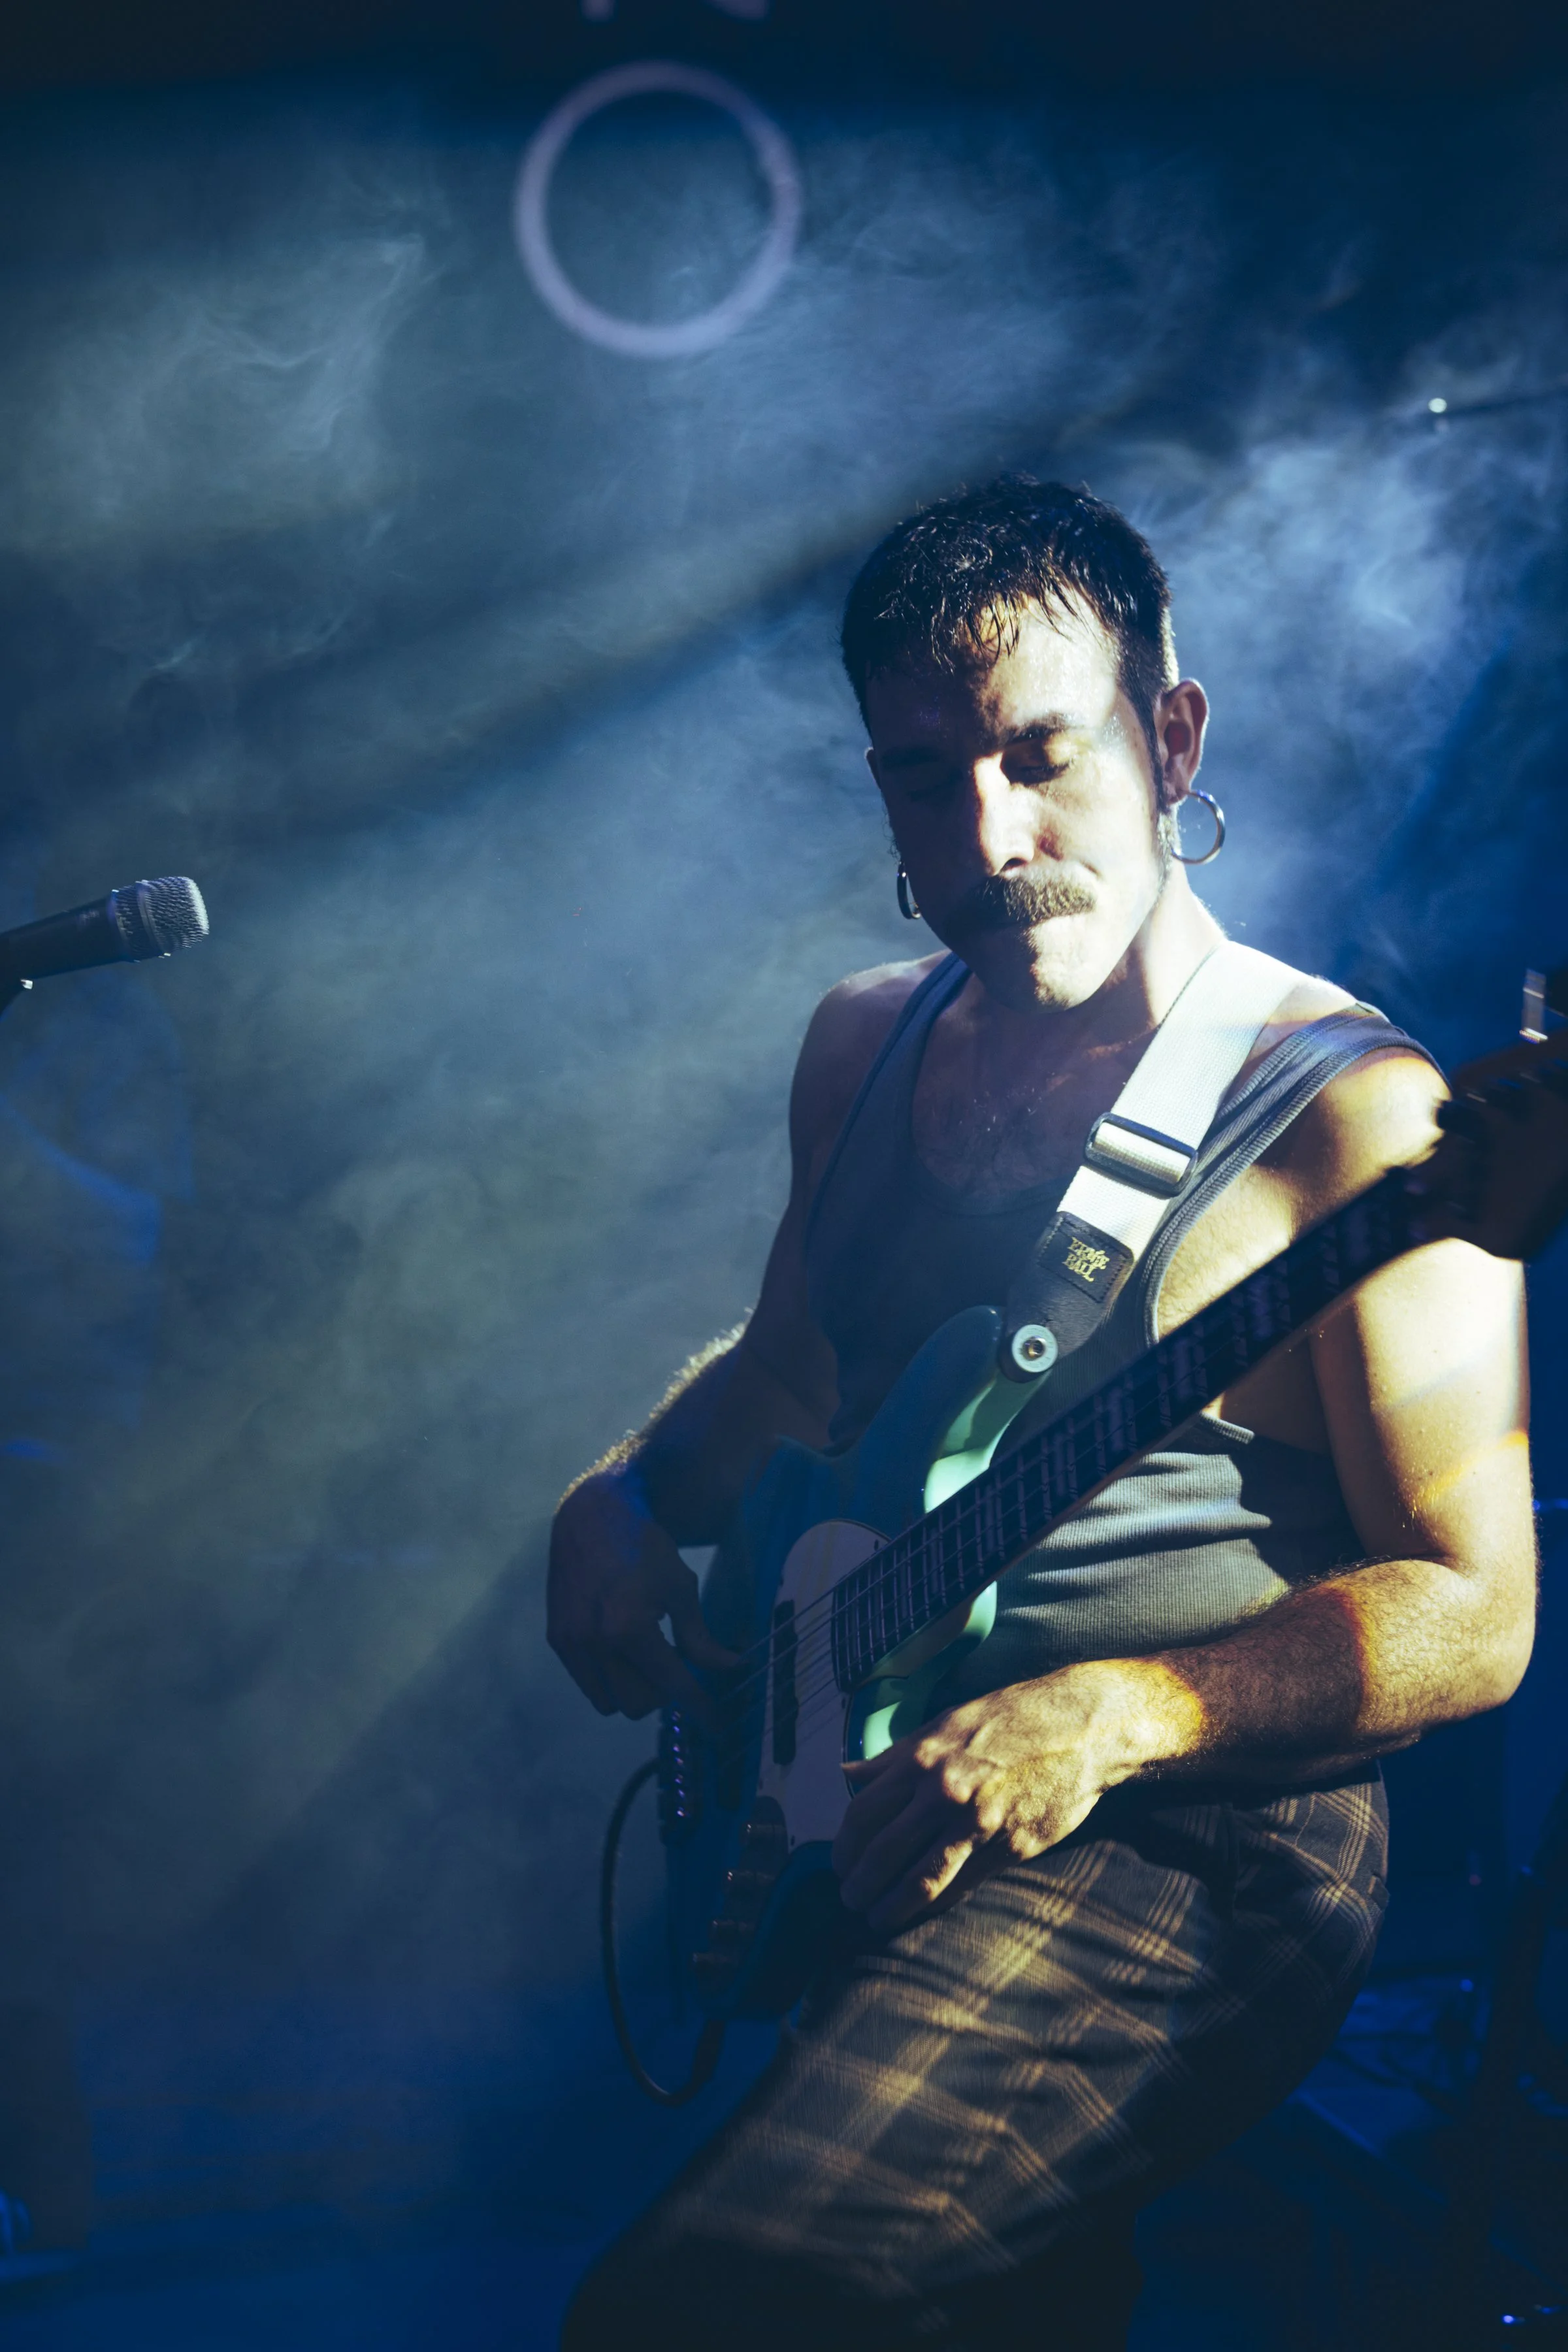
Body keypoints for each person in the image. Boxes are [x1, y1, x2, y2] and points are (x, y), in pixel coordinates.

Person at [547, 479, 1535, 2349]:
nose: (987, 837)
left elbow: (1476, 1608)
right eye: (924, 780)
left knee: (708, 2311)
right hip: (876, 1792)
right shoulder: (864, 1040)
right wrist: (623, 1497)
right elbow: (790, 1381)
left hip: (1195, 1838)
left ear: (1174, 740)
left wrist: (1116, 1713)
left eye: (1042, 757)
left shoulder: (1357, 1115)